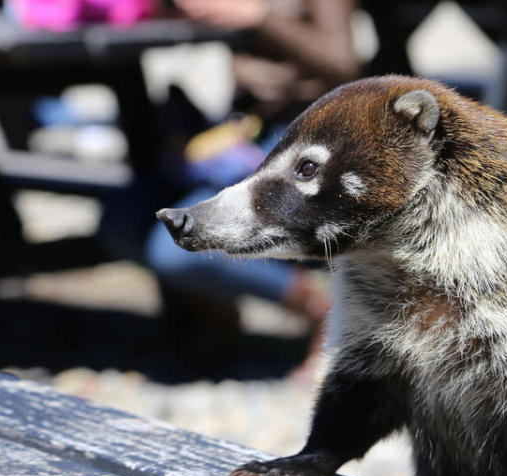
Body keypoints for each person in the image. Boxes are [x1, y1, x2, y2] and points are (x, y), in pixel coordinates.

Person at [143, 0, 359, 369]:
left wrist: (258, 17)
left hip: (294, 140)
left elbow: (344, 63)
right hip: (237, 132)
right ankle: (213, 303)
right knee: (121, 218)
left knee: (171, 247)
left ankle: (322, 310)